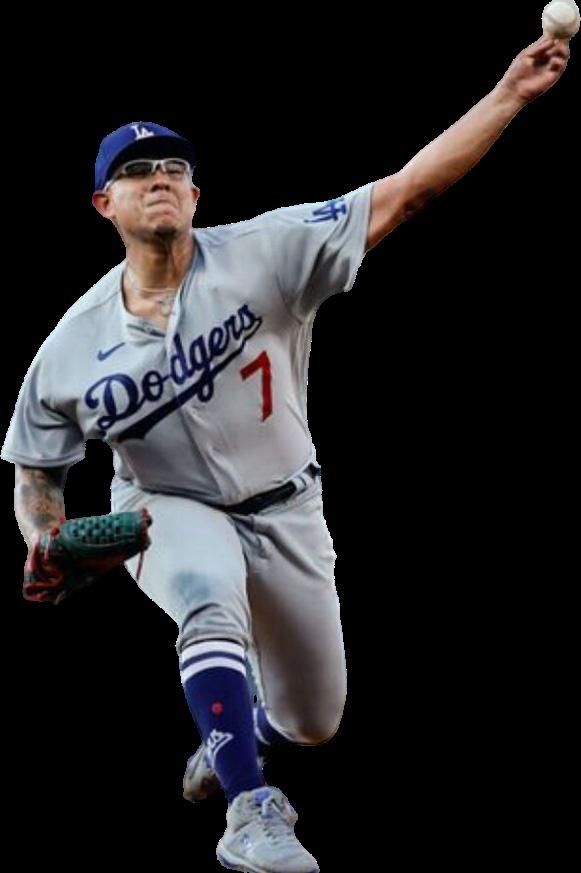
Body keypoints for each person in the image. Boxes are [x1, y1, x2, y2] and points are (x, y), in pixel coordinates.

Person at [2, 33, 570, 873]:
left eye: (174, 168)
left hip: (288, 503)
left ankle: (234, 732)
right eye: (136, 171)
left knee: (313, 719)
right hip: (166, 506)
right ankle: (248, 807)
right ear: (103, 203)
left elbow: (408, 191)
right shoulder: (71, 345)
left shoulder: (266, 249)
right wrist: (42, 536)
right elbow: (36, 467)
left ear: (195, 193)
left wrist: (510, 95)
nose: (159, 178)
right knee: (207, 593)